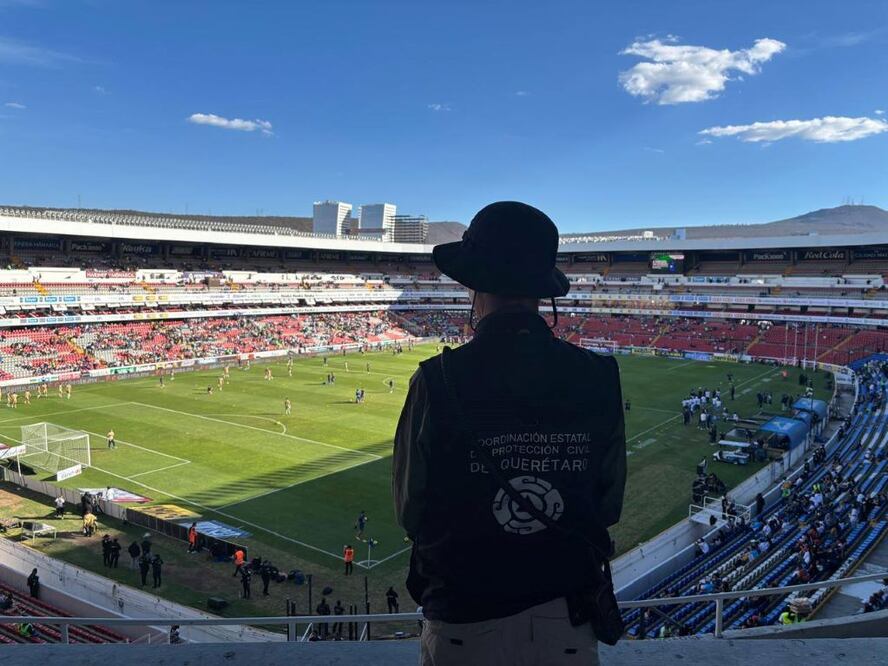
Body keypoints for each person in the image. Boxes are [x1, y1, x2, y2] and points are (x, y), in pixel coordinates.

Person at [393, 202, 626, 665]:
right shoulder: (600, 375)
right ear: (542, 294)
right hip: (568, 616)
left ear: (475, 286)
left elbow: (410, 509)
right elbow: (608, 502)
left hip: (464, 617)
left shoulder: (436, 379)